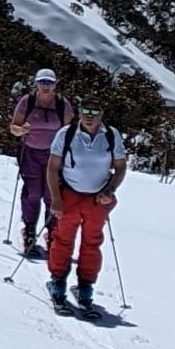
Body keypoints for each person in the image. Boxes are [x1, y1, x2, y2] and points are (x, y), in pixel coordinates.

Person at [46, 101, 126, 313]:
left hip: (97, 199)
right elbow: (52, 168)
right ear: (79, 113)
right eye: (85, 111)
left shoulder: (111, 135)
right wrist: (56, 198)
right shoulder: (66, 134)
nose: (89, 116)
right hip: (70, 195)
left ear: (101, 114)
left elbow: (120, 167)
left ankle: (85, 286)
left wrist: (110, 190)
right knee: (62, 239)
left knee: (92, 242)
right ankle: (58, 281)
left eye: (94, 112)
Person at [9, 69, 71, 255]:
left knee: (52, 194)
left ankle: (51, 232)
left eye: (49, 83)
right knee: (32, 191)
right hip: (30, 153)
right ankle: (29, 230)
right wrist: (21, 131)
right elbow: (14, 126)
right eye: (42, 82)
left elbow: (70, 130)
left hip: (54, 155)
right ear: (36, 83)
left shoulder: (62, 105)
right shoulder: (27, 102)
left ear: (55, 84)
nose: (46, 86)